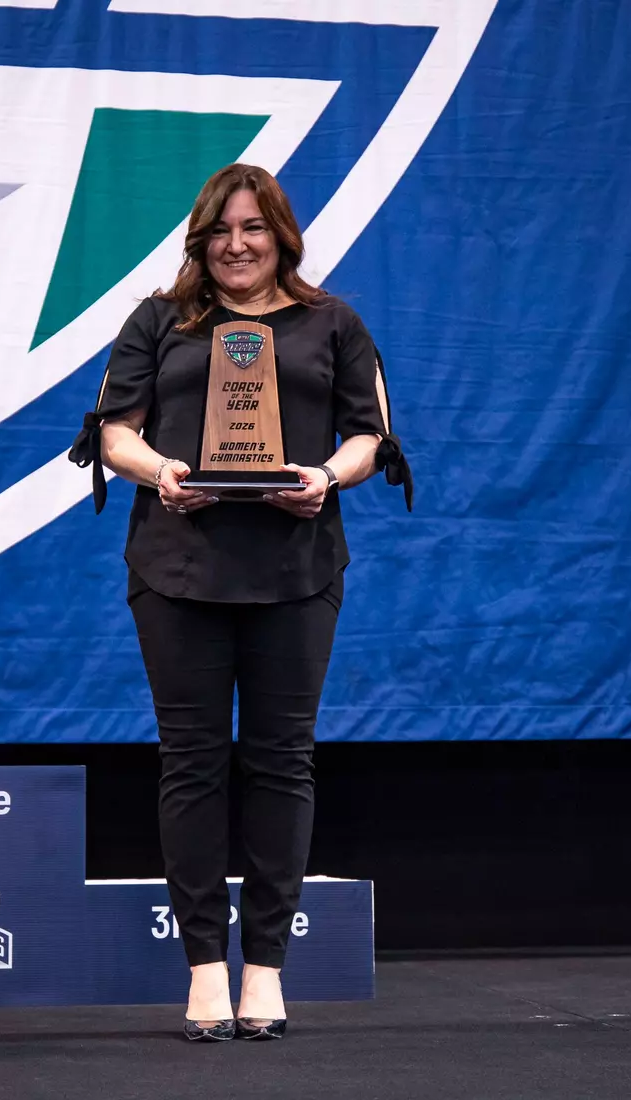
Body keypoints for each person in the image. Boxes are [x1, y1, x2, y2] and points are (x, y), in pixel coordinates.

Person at [69, 163, 411, 1042]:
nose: (236, 244)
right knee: (190, 764)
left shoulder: (335, 323)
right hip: (177, 568)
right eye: (220, 230)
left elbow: (370, 435)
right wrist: (161, 471)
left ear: (281, 236)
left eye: (253, 227)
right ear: (199, 239)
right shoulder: (157, 320)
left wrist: (326, 477)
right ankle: (203, 970)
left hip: (296, 570)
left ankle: (265, 968)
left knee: (281, 762)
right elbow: (112, 432)